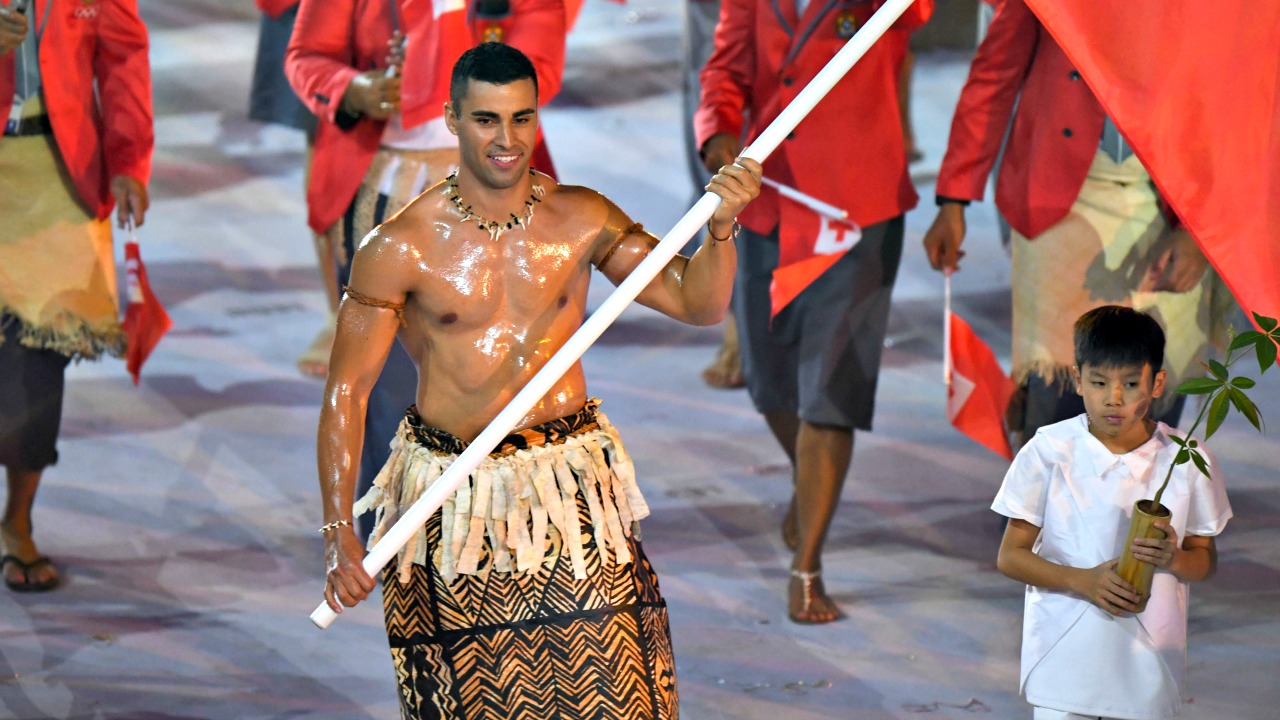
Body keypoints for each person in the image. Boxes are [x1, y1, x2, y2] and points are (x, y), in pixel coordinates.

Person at [318, 43, 762, 717]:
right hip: (454, 502)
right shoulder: (399, 247)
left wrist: (722, 230)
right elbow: (346, 391)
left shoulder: (582, 217)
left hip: (570, 488)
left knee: (623, 694)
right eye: (487, 120)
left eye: (522, 119)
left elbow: (698, 304)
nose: (507, 139)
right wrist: (336, 531)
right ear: (451, 120)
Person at [286, 0, 565, 537]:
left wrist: (443, 64)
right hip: (380, 187)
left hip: (495, 192)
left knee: (495, 373)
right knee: (384, 379)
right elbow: (307, 56)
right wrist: (355, 89)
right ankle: (394, 529)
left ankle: (490, 526)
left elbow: (541, 70)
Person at [695, 0, 934, 622]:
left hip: (859, 211)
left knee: (832, 388)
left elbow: (918, 14)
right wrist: (716, 131)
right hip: (769, 198)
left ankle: (808, 568)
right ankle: (810, 487)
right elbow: (724, 70)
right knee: (770, 383)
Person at [922, 0, 1231, 449]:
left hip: (1172, 197)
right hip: (1060, 195)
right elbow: (994, 77)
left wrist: (1197, 231)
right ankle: (1046, 514)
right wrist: (954, 198)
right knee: (1065, 394)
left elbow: (1233, 102)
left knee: (1156, 388)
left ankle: (1134, 515)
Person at [993, 306, 1231, 720]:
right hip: (1063, 654)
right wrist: (1081, 580)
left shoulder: (1186, 460)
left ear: (1158, 383)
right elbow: (1010, 555)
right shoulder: (1049, 451)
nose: (1114, 398)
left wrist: (1174, 559)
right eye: (1099, 382)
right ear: (1077, 377)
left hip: (1148, 660)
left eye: (1131, 383)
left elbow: (1203, 560)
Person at [0, 0, 152, 592]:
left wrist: (129, 159)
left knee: (37, 365)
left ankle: (17, 521)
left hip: (57, 176)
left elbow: (123, 57)